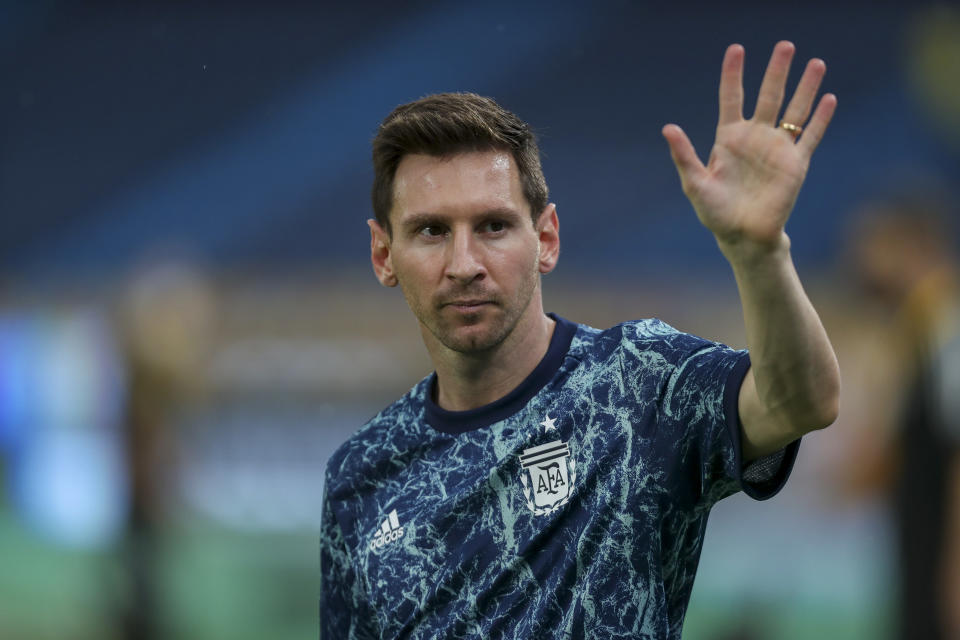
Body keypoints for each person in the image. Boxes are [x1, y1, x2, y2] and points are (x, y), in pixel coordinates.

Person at [320, 41, 840, 639]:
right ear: (384, 254)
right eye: (432, 231)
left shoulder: (638, 383)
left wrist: (760, 252)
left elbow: (802, 402)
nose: (464, 262)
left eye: (493, 226)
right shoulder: (361, 474)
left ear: (546, 239)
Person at [847, 194, 960, 640]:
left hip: (941, 568)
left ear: (911, 246)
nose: (858, 260)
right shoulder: (916, 326)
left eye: (871, 246)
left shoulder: (945, 325)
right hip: (919, 557)